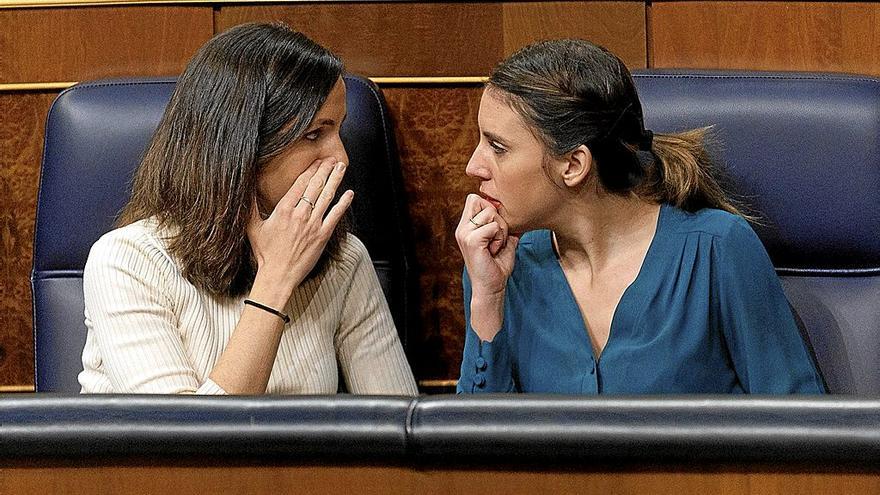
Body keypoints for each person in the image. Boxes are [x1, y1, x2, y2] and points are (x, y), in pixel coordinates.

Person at [455, 39, 825, 394]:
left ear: (573, 164)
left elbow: (803, 433)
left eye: (497, 147)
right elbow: (476, 448)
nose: (474, 166)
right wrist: (487, 299)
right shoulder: (501, 269)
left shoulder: (717, 250)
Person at [80, 22, 417, 395]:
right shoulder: (126, 262)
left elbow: (398, 429)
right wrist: (276, 280)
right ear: (241, 150)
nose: (341, 157)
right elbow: (187, 448)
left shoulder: (344, 260)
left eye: (339, 129)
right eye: (313, 134)